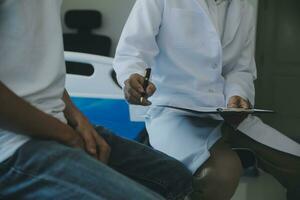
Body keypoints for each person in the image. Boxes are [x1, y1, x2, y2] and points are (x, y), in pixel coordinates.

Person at [0, 0, 194, 199]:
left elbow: (33, 69)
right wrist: (67, 136)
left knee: (179, 180)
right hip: (11, 145)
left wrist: (77, 119)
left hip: (57, 123)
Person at [113, 0, 300, 199]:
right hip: (174, 112)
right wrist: (132, 77)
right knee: (221, 173)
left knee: (294, 164)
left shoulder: (243, 7)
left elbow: (239, 68)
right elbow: (132, 52)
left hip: (227, 113)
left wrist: (237, 94)